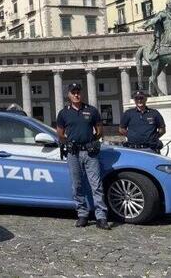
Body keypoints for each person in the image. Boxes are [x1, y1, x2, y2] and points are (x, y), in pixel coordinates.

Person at [55, 82, 110, 230]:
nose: (76, 94)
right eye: (73, 92)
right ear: (69, 94)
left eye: (78, 92)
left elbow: (99, 130)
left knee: (96, 185)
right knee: (77, 185)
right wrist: (67, 142)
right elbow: (59, 133)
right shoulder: (63, 113)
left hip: (90, 152)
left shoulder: (91, 110)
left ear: (81, 93)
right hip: (73, 153)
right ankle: (82, 214)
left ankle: (101, 217)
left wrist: (92, 141)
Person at [142, 0, 171, 65]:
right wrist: (147, 24)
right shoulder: (163, 14)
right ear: (168, 5)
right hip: (169, 35)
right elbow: (155, 20)